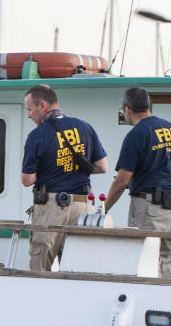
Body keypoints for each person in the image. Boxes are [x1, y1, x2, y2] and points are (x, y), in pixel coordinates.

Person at [21, 84, 108, 271]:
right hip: (83, 206)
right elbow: (102, 166)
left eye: (30, 109)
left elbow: (27, 180)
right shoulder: (85, 127)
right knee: (76, 268)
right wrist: (71, 166)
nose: (29, 115)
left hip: (52, 207)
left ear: (42, 105)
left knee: (40, 266)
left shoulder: (38, 135)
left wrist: (52, 169)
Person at [104, 87, 171, 279]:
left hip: (149, 208)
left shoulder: (137, 134)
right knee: (167, 266)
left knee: (144, 263)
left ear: (126, 109)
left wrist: (104, 207)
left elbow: (122, 180)